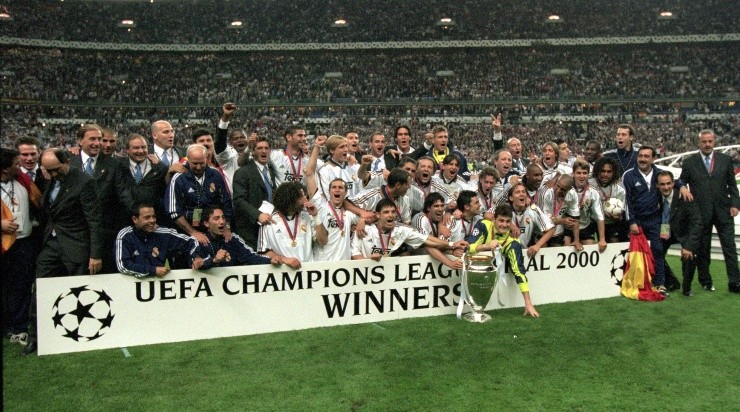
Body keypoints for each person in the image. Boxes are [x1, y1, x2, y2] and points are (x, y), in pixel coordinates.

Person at [22, 148, 103, 355]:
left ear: (67, 162)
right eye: (48, 171)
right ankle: (35, 338)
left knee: (78, 295)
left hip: (76, 246)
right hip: (51, 244)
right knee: (39, 292)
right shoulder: (47, 178)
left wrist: (95, 254)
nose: (53, 174)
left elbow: (94, 220)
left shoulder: (84, 182)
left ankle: (78, 336)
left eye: (56, 170)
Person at [678, 129, 740, 293]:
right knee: (703, 250)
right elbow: (681, 180)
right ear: (698, 143)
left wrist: (735, 204)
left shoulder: (725, 160)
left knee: (730, 248)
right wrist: (683, 187)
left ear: (714, 142)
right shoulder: (690, 162)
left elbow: (732, 186)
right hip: (700, 213)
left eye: (710, 141)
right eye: (704, 142)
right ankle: (705, 280)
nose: (707, 144)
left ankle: (735, 282)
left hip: (724, 211)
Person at [70, 123, 132, 273]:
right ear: (79, 141)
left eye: (99, 139)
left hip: (105, 232)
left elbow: (124, 193)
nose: (98, 143)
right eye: (93, 139)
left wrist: (137, 211)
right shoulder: (69, 162)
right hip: (74, 233)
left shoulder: (114, 164)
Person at [465, 203, 540, 317]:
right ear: (493, 219)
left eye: (508, 221)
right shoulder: (484, 226)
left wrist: (528, 303)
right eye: (501, 220)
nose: (504, 225)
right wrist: (486, 246)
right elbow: (467, 247)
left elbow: (519, 271)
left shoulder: (513, 242)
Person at [1, 148, 41, 345]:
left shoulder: (24, 182)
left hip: (24, 242)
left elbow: (38, 204)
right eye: (16, 164)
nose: (20, 167)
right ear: (4, 169)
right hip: (2, 244)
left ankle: (19, 326)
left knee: (22, 286)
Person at [352, 199, 467, 260]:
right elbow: (354, 253)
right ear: (377, 215)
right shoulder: (364, 229)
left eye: (393, 212)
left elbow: (427, 239)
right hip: (364, 278)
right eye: (386, 212)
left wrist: (452, 244)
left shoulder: (401, 231)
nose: (390, 215)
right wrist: (368, 262)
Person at [165, 144, 233, 246]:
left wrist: (227, 227)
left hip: (215, 232)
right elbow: (173, 211)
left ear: (206, 159)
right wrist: (193, 232)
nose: (198, 167)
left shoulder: (215, 174)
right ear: (188, 159)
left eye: (202, 163)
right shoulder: (179, 178)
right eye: (194, 163)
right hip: (187, 232)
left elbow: (226, 202)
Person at [623, 146, 669, 294]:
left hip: (657, 221)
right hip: (638, 221)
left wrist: (681, 186)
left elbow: (673, 182)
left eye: (646, 156)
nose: (643, 159)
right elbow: (627, 201)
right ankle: (639, 281)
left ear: (653, 158)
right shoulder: (629, 175)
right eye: (640, 156)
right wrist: (632, 222)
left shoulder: (659, 173)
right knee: (637, 252)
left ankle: (659, 282)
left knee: (658, 249)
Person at [115, 203, 197, 278]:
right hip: (130, 288)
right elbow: (123, 266)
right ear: (135, 219)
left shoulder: (164, 233)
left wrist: (195, 258)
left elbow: (191, 242)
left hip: (159, 287)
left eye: (153, 216)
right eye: (147, 218)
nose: (152, 220)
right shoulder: (125, 235)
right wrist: (153, 270)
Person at [656, 171, 703, 296]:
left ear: (673, 183)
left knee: (689, 255)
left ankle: (686, 288)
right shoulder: (654, 196)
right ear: (657, 185)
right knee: (656, 251)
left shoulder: (685, 197)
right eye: (662, 184)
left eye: (668, 184)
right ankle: (670, 282)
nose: (666, 187)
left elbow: (697, 222)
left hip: (684, 232)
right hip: (665, 230)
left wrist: (688, 246)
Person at [192, 207, 287, 269]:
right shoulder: (198, 241)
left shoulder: (232, 239)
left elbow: (251, 257)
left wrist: (270, 260)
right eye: (216, 219)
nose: (222, 222)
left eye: (223, 218)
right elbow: (196, 264)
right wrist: (214, 260)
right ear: (206, 223)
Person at [257, 181, 314, 267]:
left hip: (309, 272)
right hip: (282, 275)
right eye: (301, 197)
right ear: (290, 199)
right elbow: (263, 252)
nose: (305, 200)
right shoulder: (269, 221)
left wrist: (316, 217)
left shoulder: (308, 217)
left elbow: (322, 241)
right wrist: (285, 260)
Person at [232, 137, 276, 249]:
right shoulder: (242, 172)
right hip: (250, 228)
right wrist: (257, 215)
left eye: (266, 148)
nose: (264, 151)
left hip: (270, 225)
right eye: (260, 148)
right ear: (253, 151)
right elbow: (238, 200)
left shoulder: (272, 171)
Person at [121, 134, 171, 227]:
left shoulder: (160, 168)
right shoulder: (119, 166)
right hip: (124, 221)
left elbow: (163, 195)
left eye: (143, 147)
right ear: (127, 150)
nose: (140, 151)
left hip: (152, 222)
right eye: (136, 148)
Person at [411, 192, 464, 270]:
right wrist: (450, 263)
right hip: (414, 264)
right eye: (436, 206)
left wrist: (451, 252)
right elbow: (427, 245)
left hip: (428, 264)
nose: (440, 209)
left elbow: (436, 245)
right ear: (428, 208)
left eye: (442, 206)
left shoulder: (436, 221)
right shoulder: (420, 219)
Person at [567, 160, 607, 252]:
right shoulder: (567, 190)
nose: (581, 176)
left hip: (585, 226)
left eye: (584, 173)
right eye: (578, 173)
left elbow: (600, 217)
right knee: (566, 247)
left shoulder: (593, 192)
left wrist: (602, 239)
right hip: (568, 228)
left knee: (590, 249)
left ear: (589, 175)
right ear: (573, 174)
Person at [507, 183, 555, 257]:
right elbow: (490, 217)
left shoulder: (533, 210)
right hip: (505, 251)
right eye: (517, 192)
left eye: (523, 192)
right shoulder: (505, 209)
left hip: (523, 252)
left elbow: (551, 229)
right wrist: (510, 224)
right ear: (511, 198)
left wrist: (537, 245)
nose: (522, 194)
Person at [213, 102, 251, 194]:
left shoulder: (255, 154)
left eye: (242, 137)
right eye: (235, 139)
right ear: (230, 143)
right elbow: (220, 142)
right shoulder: (228, 156)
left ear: (248, 139)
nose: (239, 140)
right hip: (233, 201)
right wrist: (225, 118)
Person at [537, 174, 581, 249]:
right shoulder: (546, 193)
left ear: (569, 189)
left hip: (558, 231)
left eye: (563, 189)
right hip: (541, 231)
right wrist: (563, 221)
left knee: (557, 256)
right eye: (557, 186)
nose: (558, 190)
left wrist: (576, 240)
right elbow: (544, 221)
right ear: (556, 181)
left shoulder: (572, 194)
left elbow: (575, 218)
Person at [590, 157, 627, 243]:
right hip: (592, 223)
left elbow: (620, 213)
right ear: (597, 171)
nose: (605, 174)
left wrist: (616, 215)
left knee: (614, 244)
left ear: (614, 173)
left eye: (609, 172)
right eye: (603, 171)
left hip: (611, 223)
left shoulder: (619, 189)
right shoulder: (590, 185)